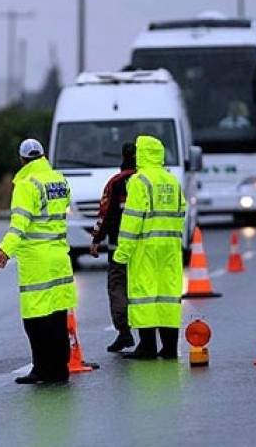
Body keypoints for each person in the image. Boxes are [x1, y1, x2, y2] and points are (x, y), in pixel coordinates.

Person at [0, 138, 78, 385]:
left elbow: (20, 223)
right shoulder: (58, 179)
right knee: (58, 316)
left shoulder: (26, 184)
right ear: (42, 155)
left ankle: (41, 369)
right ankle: (60, 370)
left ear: (21, 159)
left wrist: (5, 249)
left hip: (37, 260)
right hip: (59, 256)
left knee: (35, 319)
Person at [114, 135, 186, 360]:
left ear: (142, 154)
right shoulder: (171, 180)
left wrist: (122, 252)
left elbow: (132, 220)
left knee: (145, 295)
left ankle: (147, 346)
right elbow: (182, 211)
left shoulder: (139, 181)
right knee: (167, 295)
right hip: (171, 248)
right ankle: (170, 347)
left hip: (145, 247)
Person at [89, 142, 137, 353]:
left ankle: (124, 332)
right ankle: (150, 336)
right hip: (146, 248)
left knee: (118, 287)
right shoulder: (148, 181)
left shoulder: (116, 183)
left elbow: (105, 213)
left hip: (119, 246)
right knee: (144, 289)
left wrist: (96, 239)